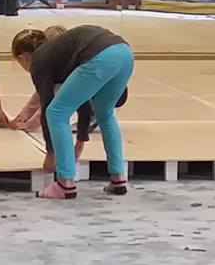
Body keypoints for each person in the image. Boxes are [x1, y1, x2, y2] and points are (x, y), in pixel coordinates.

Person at [13, 24, 134, 200]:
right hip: (124, 53)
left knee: (56, 113)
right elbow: (84, 102)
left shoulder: (39, 61)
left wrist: (51, 153)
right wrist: (81, 140)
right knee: (105, 114)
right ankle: (118, 178)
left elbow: (47, 106)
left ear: (23, 57)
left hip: (100, 57)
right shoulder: (62, 57)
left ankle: (65, 183)